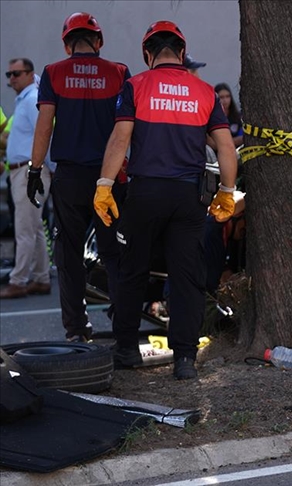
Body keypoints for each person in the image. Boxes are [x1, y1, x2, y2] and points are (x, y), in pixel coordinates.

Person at [94, 20, 238, 380]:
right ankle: (185, 360)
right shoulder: (205, 92)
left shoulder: (136, 86)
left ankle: (126, 350)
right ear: (183, 53)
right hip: (188, 196)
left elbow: (120, 139)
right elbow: (225, 146)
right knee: (187, 276)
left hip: (144, 193)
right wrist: (227, 191)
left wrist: (104, 185)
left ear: (147, 54)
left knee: (132, 271)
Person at [25, 13, 131, 340]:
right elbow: (127, 128)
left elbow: (44, 127)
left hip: (69, 178)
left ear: (66, 43)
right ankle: (123, 329)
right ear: (98, 41)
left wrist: (34, 169)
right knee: (115, 253)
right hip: (110, 179)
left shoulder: (53, 74)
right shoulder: (119, 73)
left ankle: (76, 331)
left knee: (69, 254)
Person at [0, 58, 53, 300]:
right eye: (9, 74)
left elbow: (45, 135)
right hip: (26, 170)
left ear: (30, 74)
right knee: (33, 228)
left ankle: (18, 280)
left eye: (16, 74)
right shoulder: (27, 99)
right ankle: (41, 278)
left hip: (29, 171)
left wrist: (40, 169)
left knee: (25, 228)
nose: (11, 79)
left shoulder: (32, 100)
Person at [214, 83, 243, 147]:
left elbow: (242, 137)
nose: (225, 100)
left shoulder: (238, 117)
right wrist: (234, 141)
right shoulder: (212, 118)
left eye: (227, 96)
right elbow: (212, 144)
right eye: (221, 97)